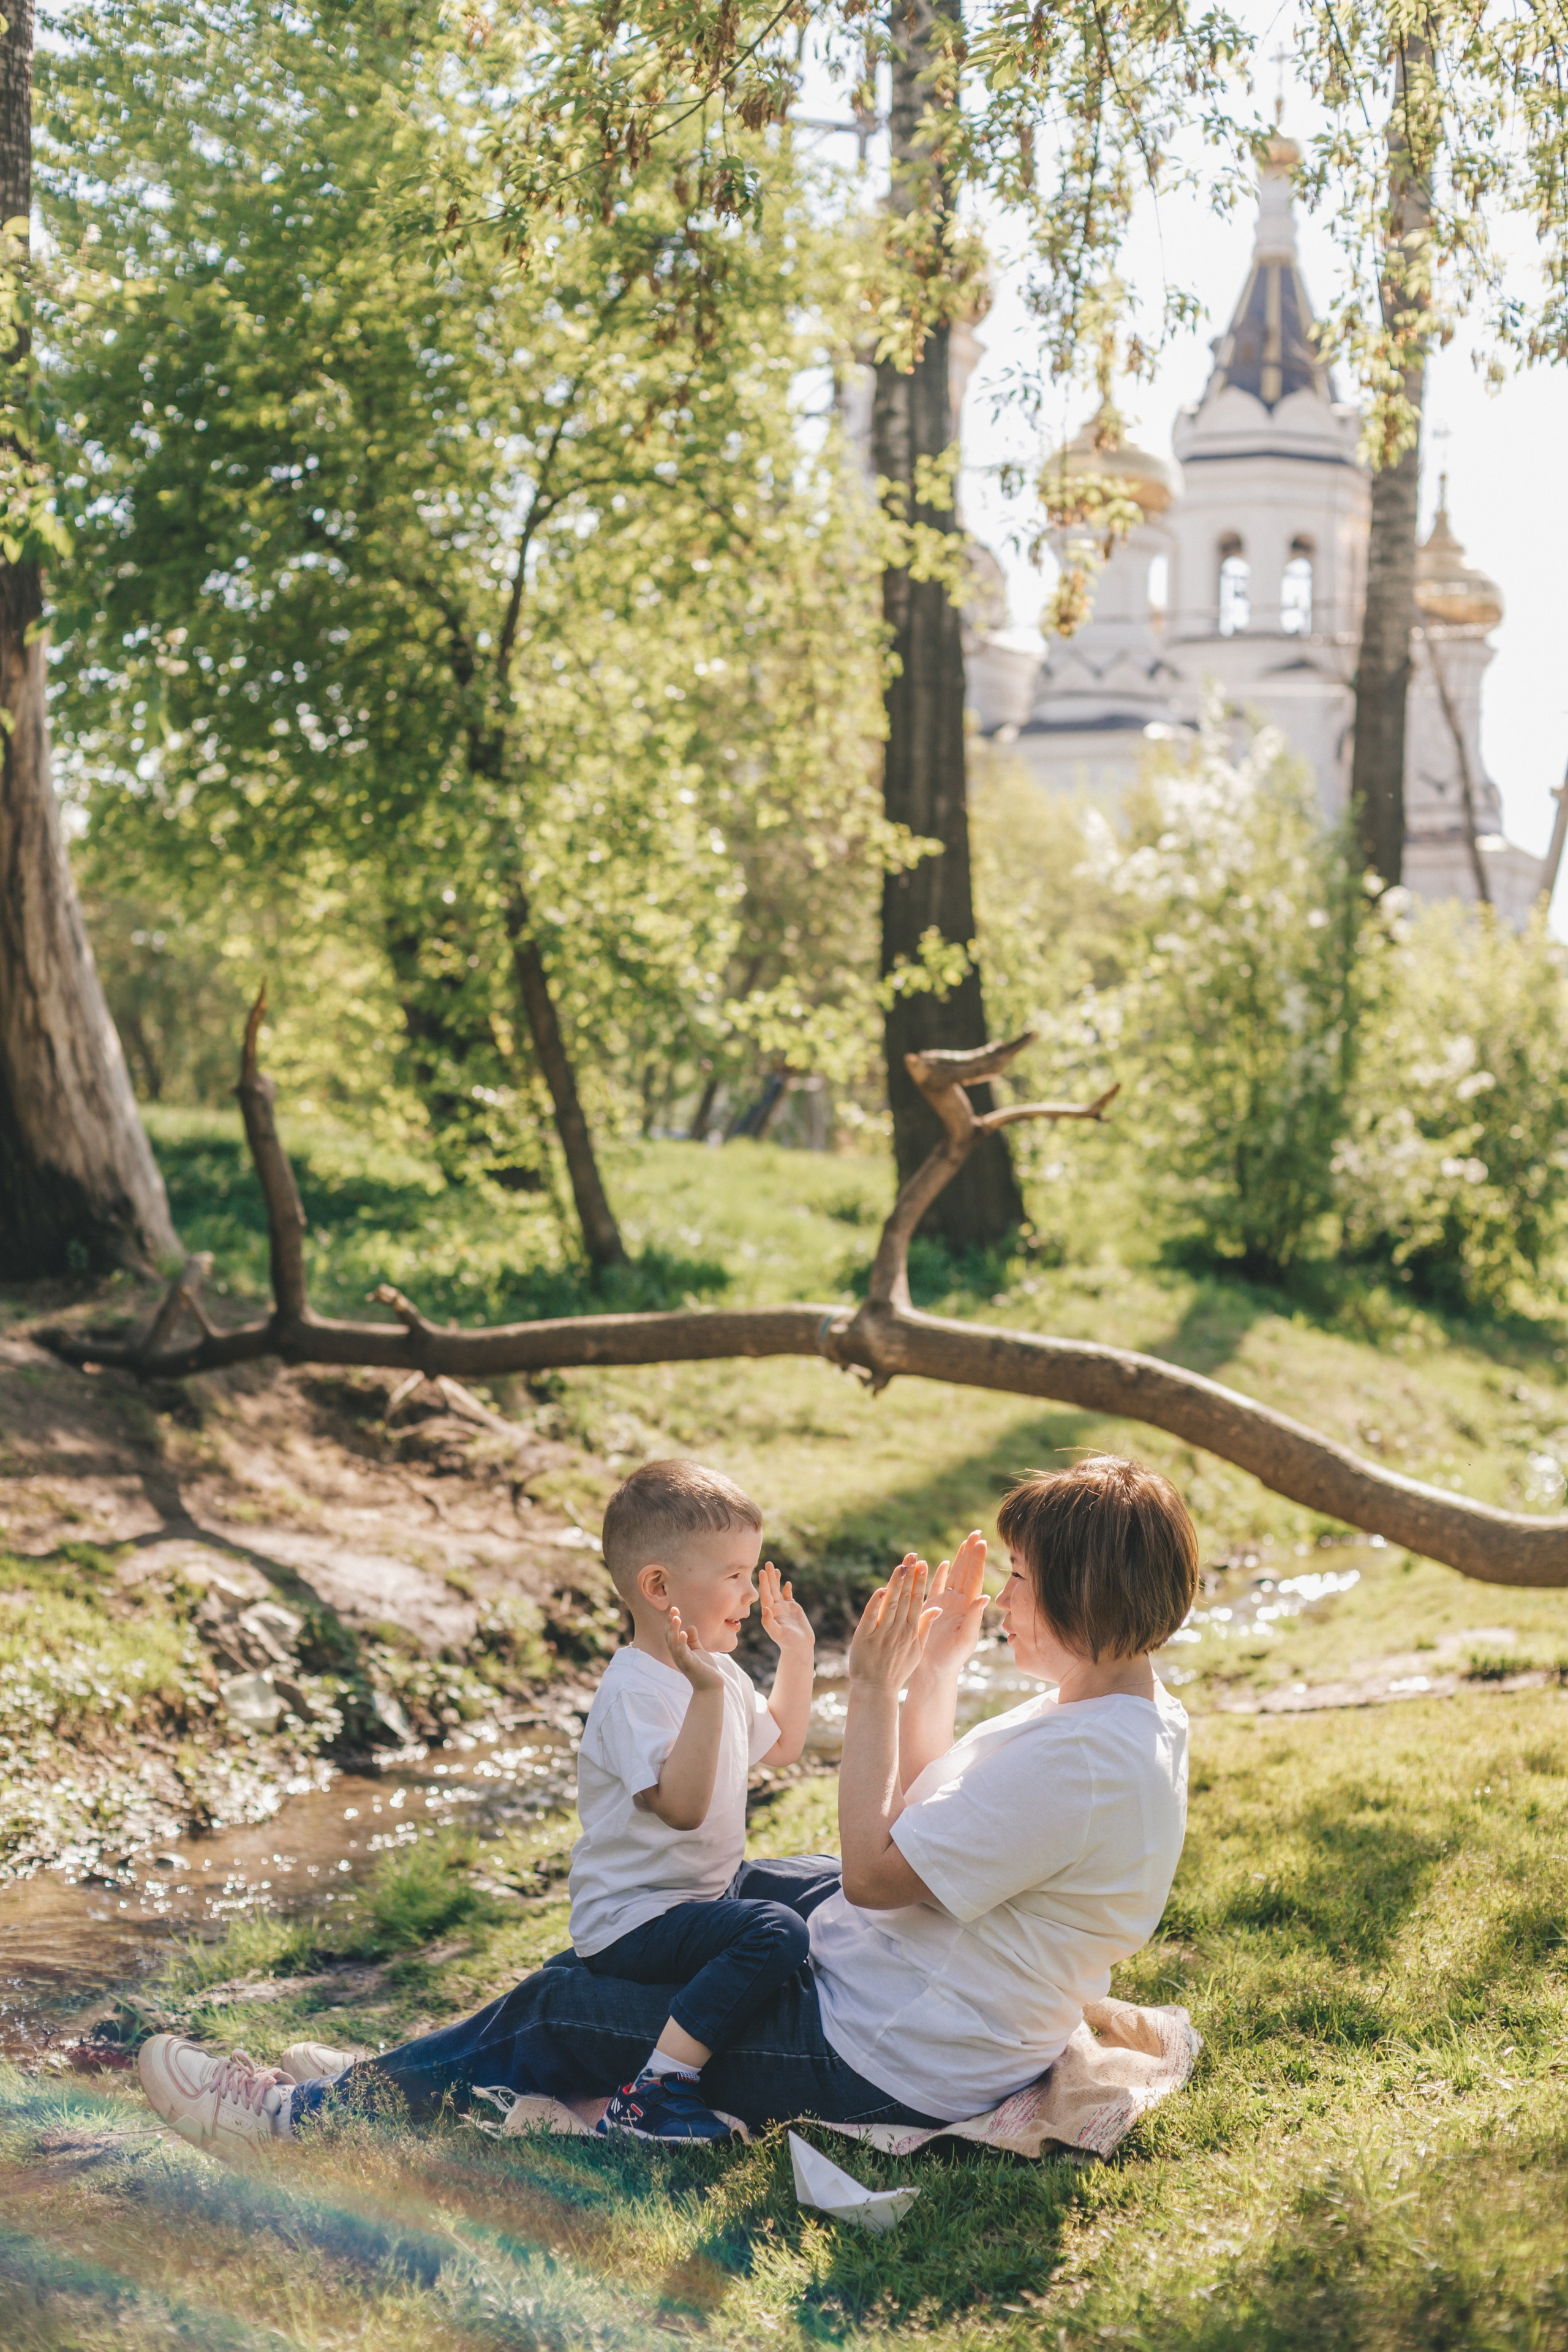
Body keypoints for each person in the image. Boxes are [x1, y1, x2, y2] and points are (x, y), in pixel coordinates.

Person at [136, 1455, 1197, 2157]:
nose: (1002, 1597)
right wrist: (948, 1661)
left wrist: (874, 1690)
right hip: (917, 1996)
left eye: (1018, 1580)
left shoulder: (1083, 1762)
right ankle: (422, 2065)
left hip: (881, 2050)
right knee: (714, 1912)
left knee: (568, 2004)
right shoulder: (1106, 1716)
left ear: (1084, 1597)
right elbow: (927, 1810)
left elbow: (878, 1869)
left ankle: (302, 2114)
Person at [562, 1458, 820, 2141]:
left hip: (697, 1895)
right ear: (658, 1586)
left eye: (752, 1570)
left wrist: (797, 1656)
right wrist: (704, 1695)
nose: (749, 1591)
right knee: (775, 1933)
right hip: (632, 1917)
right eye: (734, 1575)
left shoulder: (722, 1674)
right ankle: (656, 2088)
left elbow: (783, 1744)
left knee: (824, 1887)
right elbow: (679, 1808)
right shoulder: (635, 1694)